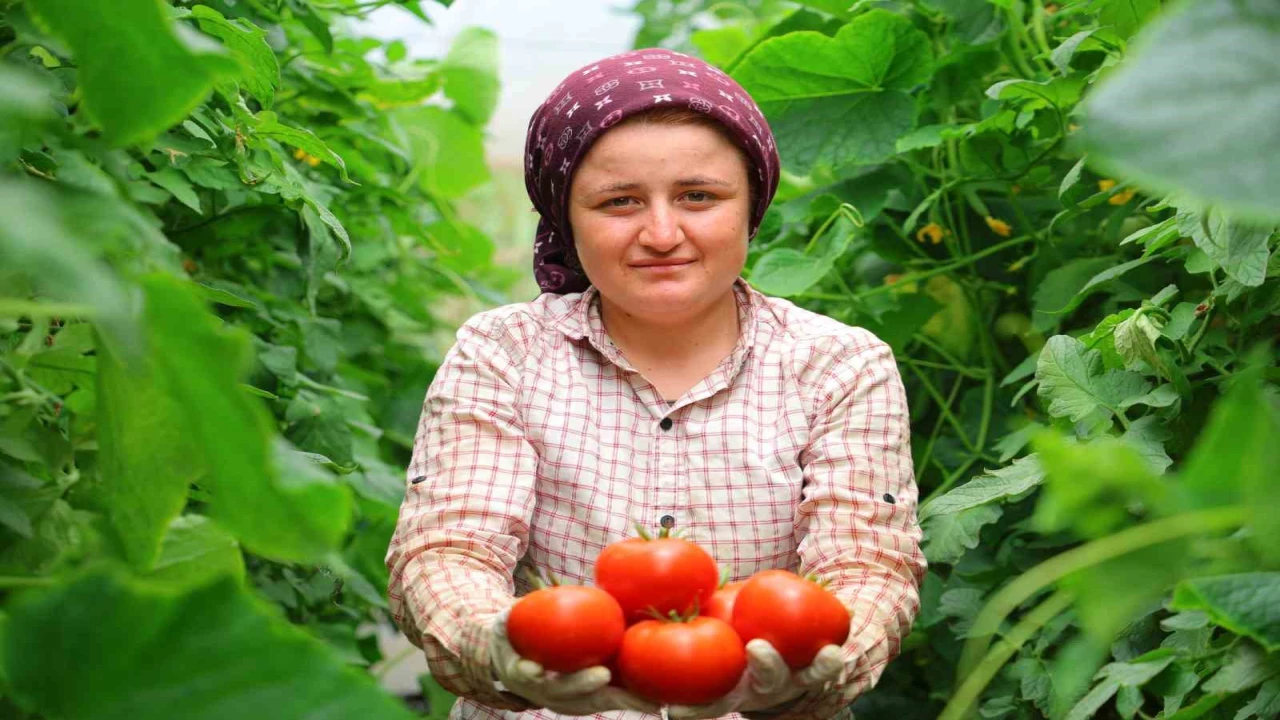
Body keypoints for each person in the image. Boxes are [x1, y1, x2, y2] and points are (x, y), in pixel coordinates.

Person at [386, 47, 925, 720]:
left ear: (752, 203)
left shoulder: (839, 365)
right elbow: (449, 547)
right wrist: (493, 646)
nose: (663, 233)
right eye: (619, 202)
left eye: (699, 196)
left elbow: (867, 564)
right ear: (565, 218)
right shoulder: (504, 354)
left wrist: (828, 659)